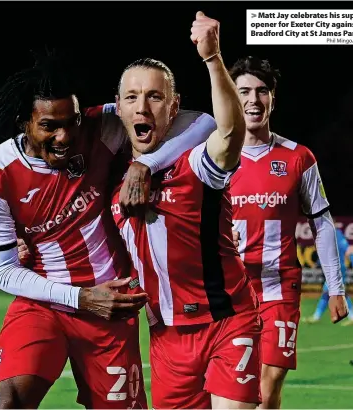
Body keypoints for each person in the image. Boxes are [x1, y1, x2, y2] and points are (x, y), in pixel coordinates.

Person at [0, 51, 217, 409]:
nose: (64, 135)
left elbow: (204, 123)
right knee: (12, 401)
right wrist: (82, 298)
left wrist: (145, 165)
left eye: (71, 122)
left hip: (112, 305)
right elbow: (4, 271)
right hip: (45, 303)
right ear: (24, 122)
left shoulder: (101, 126)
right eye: (49, 126)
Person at [110, 12, 261, 409]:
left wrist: (213, 59)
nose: (143, 106)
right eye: (132, 97)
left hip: (226, 321)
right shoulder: (107, 176)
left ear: (174, 107)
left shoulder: (195, 163)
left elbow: (229, 132)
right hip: (165, 336)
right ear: (118, 107)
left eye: (155, 97)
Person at [227, 56, 348, 409]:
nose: (253, 99)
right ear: (231, 98)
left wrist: (336, 288)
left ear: (273, 99)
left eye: (262, 91)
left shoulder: (299, 158)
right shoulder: (212, 157)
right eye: (244, 91)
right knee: (236, 387)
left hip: (280, 286)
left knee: (271, 381)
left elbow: (322, 224)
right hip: (230, 288)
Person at [303, 227, 353, 325]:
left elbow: (347, 248)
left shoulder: (336, 233)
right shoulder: (324, 234)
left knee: (332, 291)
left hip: (337, 267)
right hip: (331, 267)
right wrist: (318, 264)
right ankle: (317, 316)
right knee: (331, 292)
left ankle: (317, 316)